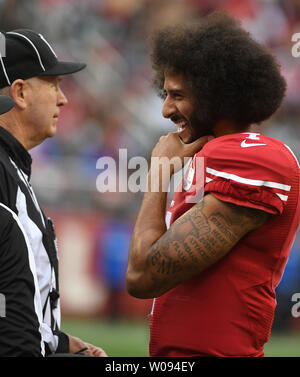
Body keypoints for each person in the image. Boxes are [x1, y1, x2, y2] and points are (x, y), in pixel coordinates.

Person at [126, 12, 300, 357]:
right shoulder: (215, 156)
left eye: (177, 95)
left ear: (214, 95)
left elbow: (143, 275)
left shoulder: (254, 158)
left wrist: (159, 173)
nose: (165, 110)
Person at [0, 29, 107, 357]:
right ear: (20, 92)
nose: (63, 98)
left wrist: (57, 343)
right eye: (54, 84)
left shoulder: (12, 166)